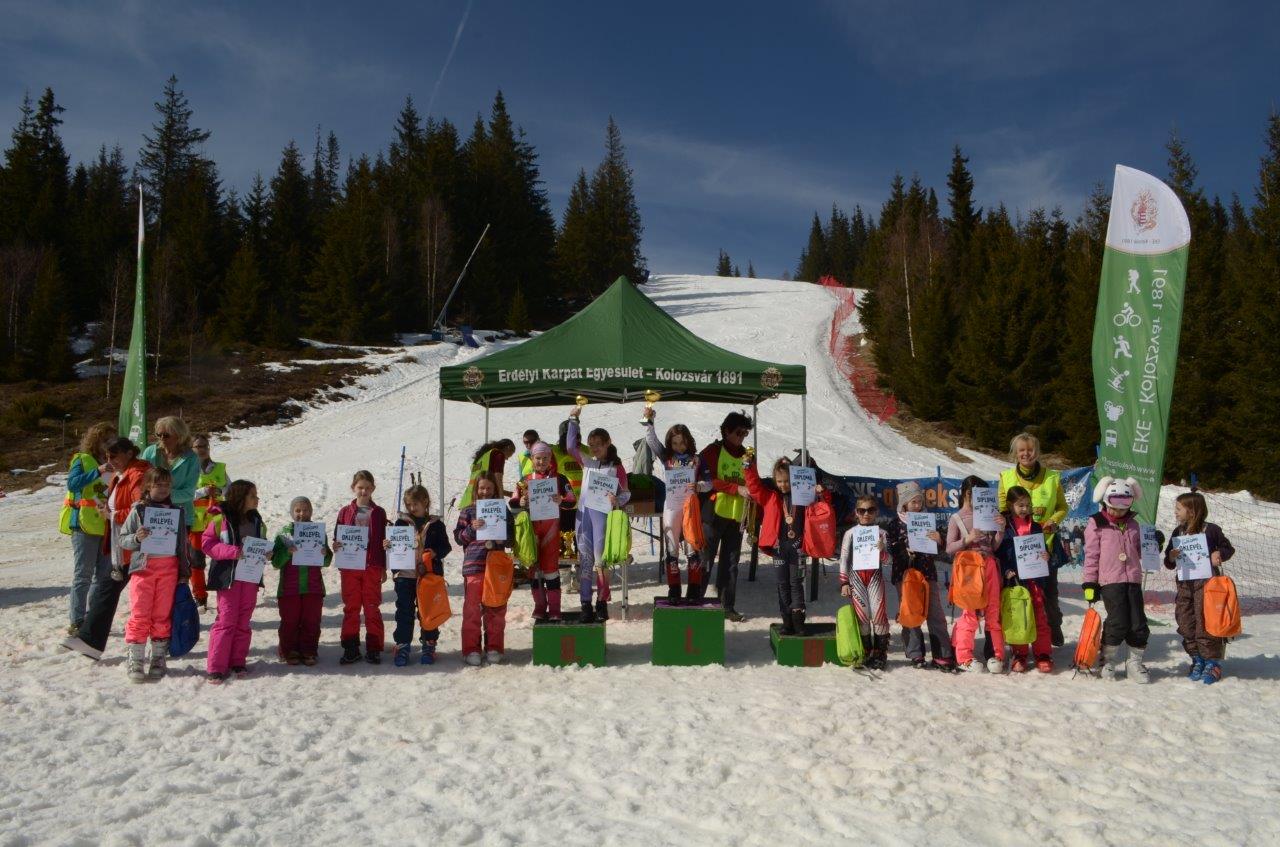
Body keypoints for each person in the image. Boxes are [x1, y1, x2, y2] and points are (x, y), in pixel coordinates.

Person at [60, 438, 149, 660]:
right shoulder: (121, 473)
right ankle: (89, 640)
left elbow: (141, 508)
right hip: (124, 545)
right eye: (107, 456)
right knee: (106, 589)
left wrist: (112, 515)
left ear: (129, 453)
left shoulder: (137, 474)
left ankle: (90, 639)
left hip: (135, 546)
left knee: (107, 589)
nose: (109, 460)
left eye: (114, 456)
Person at [116, 467, 192, 682]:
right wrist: (137, 538)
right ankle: (136, 658)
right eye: (158, 484)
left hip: (169, 569)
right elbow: (122, 539)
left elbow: (182, 544)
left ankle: (158, 657)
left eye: (167, 484)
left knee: (162, 615)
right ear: (148, 486)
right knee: (140, 613)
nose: (163, 488)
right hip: (143, 570)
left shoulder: (177, 512)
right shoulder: (139, 510)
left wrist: (184, 571)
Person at [744, 455, 829, 635]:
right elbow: (754, 487)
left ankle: (798, 621)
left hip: (798, 547)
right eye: (780, 481)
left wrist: (821, 492)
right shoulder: (770, 496)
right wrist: (748, 467)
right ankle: (787, 621)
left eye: (787, 481)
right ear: (775, 481)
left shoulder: (803, 496)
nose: (783, 485)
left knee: (796, 583)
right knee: (782, 584)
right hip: (778, 548)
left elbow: (823, 504)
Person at [996, 433, 1068, 646]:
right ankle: (1020, 639)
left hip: (1044, 546)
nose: (1026, 454)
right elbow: (1002, 509)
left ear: (1037, 452)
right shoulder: (1006, 477)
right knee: (1020, 595)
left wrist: (1054, 520)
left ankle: (1053, 626)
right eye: (1021, 450)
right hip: (1016, 549)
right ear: (1015, 453)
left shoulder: (1052, 477)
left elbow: (1062, 507)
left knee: (1048, 594)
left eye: (1030, 450)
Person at [566, 406, 630, 622]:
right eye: (591, 445)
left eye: (598, 445)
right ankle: (585, 603)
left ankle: (601, 603)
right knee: (585, 562)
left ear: (607, 443)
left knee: (601, 562)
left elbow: (626, 493)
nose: (594, 449)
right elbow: (570, 446)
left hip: (602, 518)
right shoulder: (588, 462)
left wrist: (617, 500)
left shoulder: (616, 467)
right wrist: (574, 420)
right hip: (583, 517)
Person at [1082, 476, 1149, 683]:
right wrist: (1090, 582)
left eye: (1123, 508)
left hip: (1133, 579)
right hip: (1110, 580)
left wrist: (1152, 544)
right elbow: (1091, 555)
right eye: (1113, 507)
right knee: (1118, 621)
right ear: (1105, 502)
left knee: (1138, 622)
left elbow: (1140, 552)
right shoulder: (1096, 523)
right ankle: (1107, 660)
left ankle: (1134, 663)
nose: (1118, 512)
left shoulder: (1134, 525)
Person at [1164, 491, 1236, 685]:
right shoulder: (1178, 532)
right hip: (1185, 585)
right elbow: (1168, 561)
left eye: (1179, 509)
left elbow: (1228, 549)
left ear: (1192, 511)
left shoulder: (1211, 530)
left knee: (1206, 621)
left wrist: (1218, 554)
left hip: (1207, 585)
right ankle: (1197, 658)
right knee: (1185, 621)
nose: (1175, 512)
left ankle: (1212, 662)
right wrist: (1171, 556)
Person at [642, 407, 711, 602]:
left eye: (682, 443)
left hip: (690, 508)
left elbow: (709, 483)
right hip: (671, 507)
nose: (679, 447)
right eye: (675, 443)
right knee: (671, 549)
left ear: (688, 441)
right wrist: (649, 422)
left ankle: (694, 589)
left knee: (692, 548)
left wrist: (699, 486)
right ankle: (674, 589)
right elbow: (651, 441)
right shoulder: (667, 458)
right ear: (670, 444)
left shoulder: (697, 460)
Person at [201, 479, 266, 684]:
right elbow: (207, 544)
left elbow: (261, 543)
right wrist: (233, 552)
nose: (257, 499)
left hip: (250, 577)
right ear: (240, 497)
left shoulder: (256, 520)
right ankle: (216, 667)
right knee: (226, 620)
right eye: (252, 495)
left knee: (244, 620)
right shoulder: (220, 518)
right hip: (228, 578)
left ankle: (238, 661)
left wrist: (267, 552)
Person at [885, 481, 954, 670]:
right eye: (913, 502)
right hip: (905, 575)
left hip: (927, 572)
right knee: (910, 611)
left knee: (935, 612)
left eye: (919, 501)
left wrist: (939, 540)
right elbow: (890, 549)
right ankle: (915, 653)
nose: (917, 505)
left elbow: (940, 549)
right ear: (904, 503)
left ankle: (942, 653)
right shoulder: (895, 524)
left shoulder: (928, 520)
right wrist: (903, 549)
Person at [947, 476, 1008, 673]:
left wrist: (1000, 530)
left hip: (990, 566)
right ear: (968, 494)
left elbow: (993, 546)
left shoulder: (988, 515)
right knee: (970, 614)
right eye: (980, 495)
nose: (984, 499)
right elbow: (949, 548)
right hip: (970, 569)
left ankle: (997, 655)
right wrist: (968, 538)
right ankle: (963, 657)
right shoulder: (957, 518)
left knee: (993, 612)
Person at [454, 474, 514, 665]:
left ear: (495, 489)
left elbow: (511, 538)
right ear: (476, 489)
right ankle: (471, 649)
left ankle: (494, 647)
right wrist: (472, 528)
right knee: (472, 609)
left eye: (489, 488)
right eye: (482, 488)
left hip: (495, 566)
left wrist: (502, 539)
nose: (485, 492)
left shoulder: (502, 509)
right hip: (474, 565)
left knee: (495, 608)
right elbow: (458, 538)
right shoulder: (468, 510)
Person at [699, 411, 754, 622]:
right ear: (726, 431)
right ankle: (695, 602)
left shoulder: (748, 455)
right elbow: (708, 480)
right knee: (705, 560)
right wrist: (735, 488)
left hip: (736, 516)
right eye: (738, 432)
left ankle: (727, 606)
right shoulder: (712, 451)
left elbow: (753, 481)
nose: (742, 437)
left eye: (745, 433)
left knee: (731, 563)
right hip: (713, 514)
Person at [62, 421, 114, 637]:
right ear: (96, 440)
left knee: (102, 577)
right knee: (83, 575)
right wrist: (97, 471)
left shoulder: (113, 463)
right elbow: (72, 484)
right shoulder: (82, 459)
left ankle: (93, 618)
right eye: (106, 440)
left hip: (105, 524)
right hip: (83, 524)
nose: (109, 444)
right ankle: (76, 621)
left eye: (112, 440)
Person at [389, 484, 451, 666]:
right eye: (408, 504)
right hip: (405, 575)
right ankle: (402, 645)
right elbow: (394, 546)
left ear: (425, 502)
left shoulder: (436, 524)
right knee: (404, 611)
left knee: (428, 611)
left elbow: (445, 547)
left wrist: (435, 552)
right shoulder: (401, 523)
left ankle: (429, 644)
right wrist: (388, 545)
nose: (411, 508)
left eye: (415, 504)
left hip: (429, 576)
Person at [511, 443, 574, 621]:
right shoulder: (525, 479)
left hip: (551, 530)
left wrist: (561, 500)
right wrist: (521, 502)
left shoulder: (559, 478)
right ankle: (539, 606)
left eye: (545, 458)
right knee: (534, 570)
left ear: (550, 458)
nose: (541, 461)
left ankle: (554, 609)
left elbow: (571, 500)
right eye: (538, 458)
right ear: (532, 459)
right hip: (532, 532)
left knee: (551, 571)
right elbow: (513, 502)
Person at [995, 486, 1054, 673]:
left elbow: (1043, 549)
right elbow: (999, 553)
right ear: (1010, 505)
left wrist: (1046, 556)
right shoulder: (1005, 527)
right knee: (1019, 617)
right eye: (1020, 505)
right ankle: (1019, 654)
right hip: (1016, 581)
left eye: (1028, 505)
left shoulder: (1035, 526)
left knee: (1039, 616)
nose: (1025, 509)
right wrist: (1006, 570)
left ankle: (1043, 654)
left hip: (1034, 580)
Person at [333, 470, 388, 665]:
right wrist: (336, 545)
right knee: (351, 607)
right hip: (350, 567)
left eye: (367, 488)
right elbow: (337, 536)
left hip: (371, 566)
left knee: (372, 607)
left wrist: (383, 566)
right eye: (360, 487)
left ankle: (374, 647)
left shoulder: (379, 512)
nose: (363, 491)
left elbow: (383, 539)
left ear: (373, 488)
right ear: (353, 488)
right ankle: (351, 647)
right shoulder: (345, 512)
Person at [271, 496, 331, 666]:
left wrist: (325, 553)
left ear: (311, 511)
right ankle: (289, 650)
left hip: (313, 586)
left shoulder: (318, 532)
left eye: (305, 510)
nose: (302, 514)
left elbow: (326, 561)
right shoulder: (283, 533)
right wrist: (287, 553)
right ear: (292, 512)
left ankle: (309, 650)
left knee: (311, 620)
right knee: (290, 621)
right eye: (297, 510)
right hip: (289, 587)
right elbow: (276, 562)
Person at [839, 495, 892, 668]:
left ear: (876, 512)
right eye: (862, 510)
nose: (866, 514)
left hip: (875, 578)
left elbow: (888, 561)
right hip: (856, 579)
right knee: (862, 617)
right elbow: (844, 558)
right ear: (856, 512)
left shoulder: (882, 533)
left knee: (878, 615)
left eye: (870, 510)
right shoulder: (850, 534)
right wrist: (844, 582)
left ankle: (880, 653)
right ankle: (866, 651)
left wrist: (882, 551)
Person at [141, 416, 199, 538]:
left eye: (166, 435)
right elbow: (141, 482)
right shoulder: (150, 452)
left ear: (179, 436)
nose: (161, 438)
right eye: (159, 434)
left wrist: (160, 494)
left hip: (180, 516)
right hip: (151, 513)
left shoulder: (191, 458)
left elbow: (188, 493)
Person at [188, 434, 228, 610]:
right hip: (195, 522)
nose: (202, 449)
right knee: (196, 562)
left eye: (204, 446)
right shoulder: (187, 470)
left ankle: (223, 595)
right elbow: (182, 494)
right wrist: (203, 491)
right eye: (198, 446)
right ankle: (200, 596)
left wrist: (220, 492)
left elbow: (230, 490)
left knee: (221, 559)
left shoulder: (219, 468)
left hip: (217, 523)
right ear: (192, 449)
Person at [457, 439, 516, 511]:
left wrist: (508, 493)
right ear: (508, 447)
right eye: (511, 454)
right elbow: (498, 480)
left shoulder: (483, 457)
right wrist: (501, 500)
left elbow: (488, 487)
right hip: (484, 502)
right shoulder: (498, 455)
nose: (507, 458)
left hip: (469, 499)